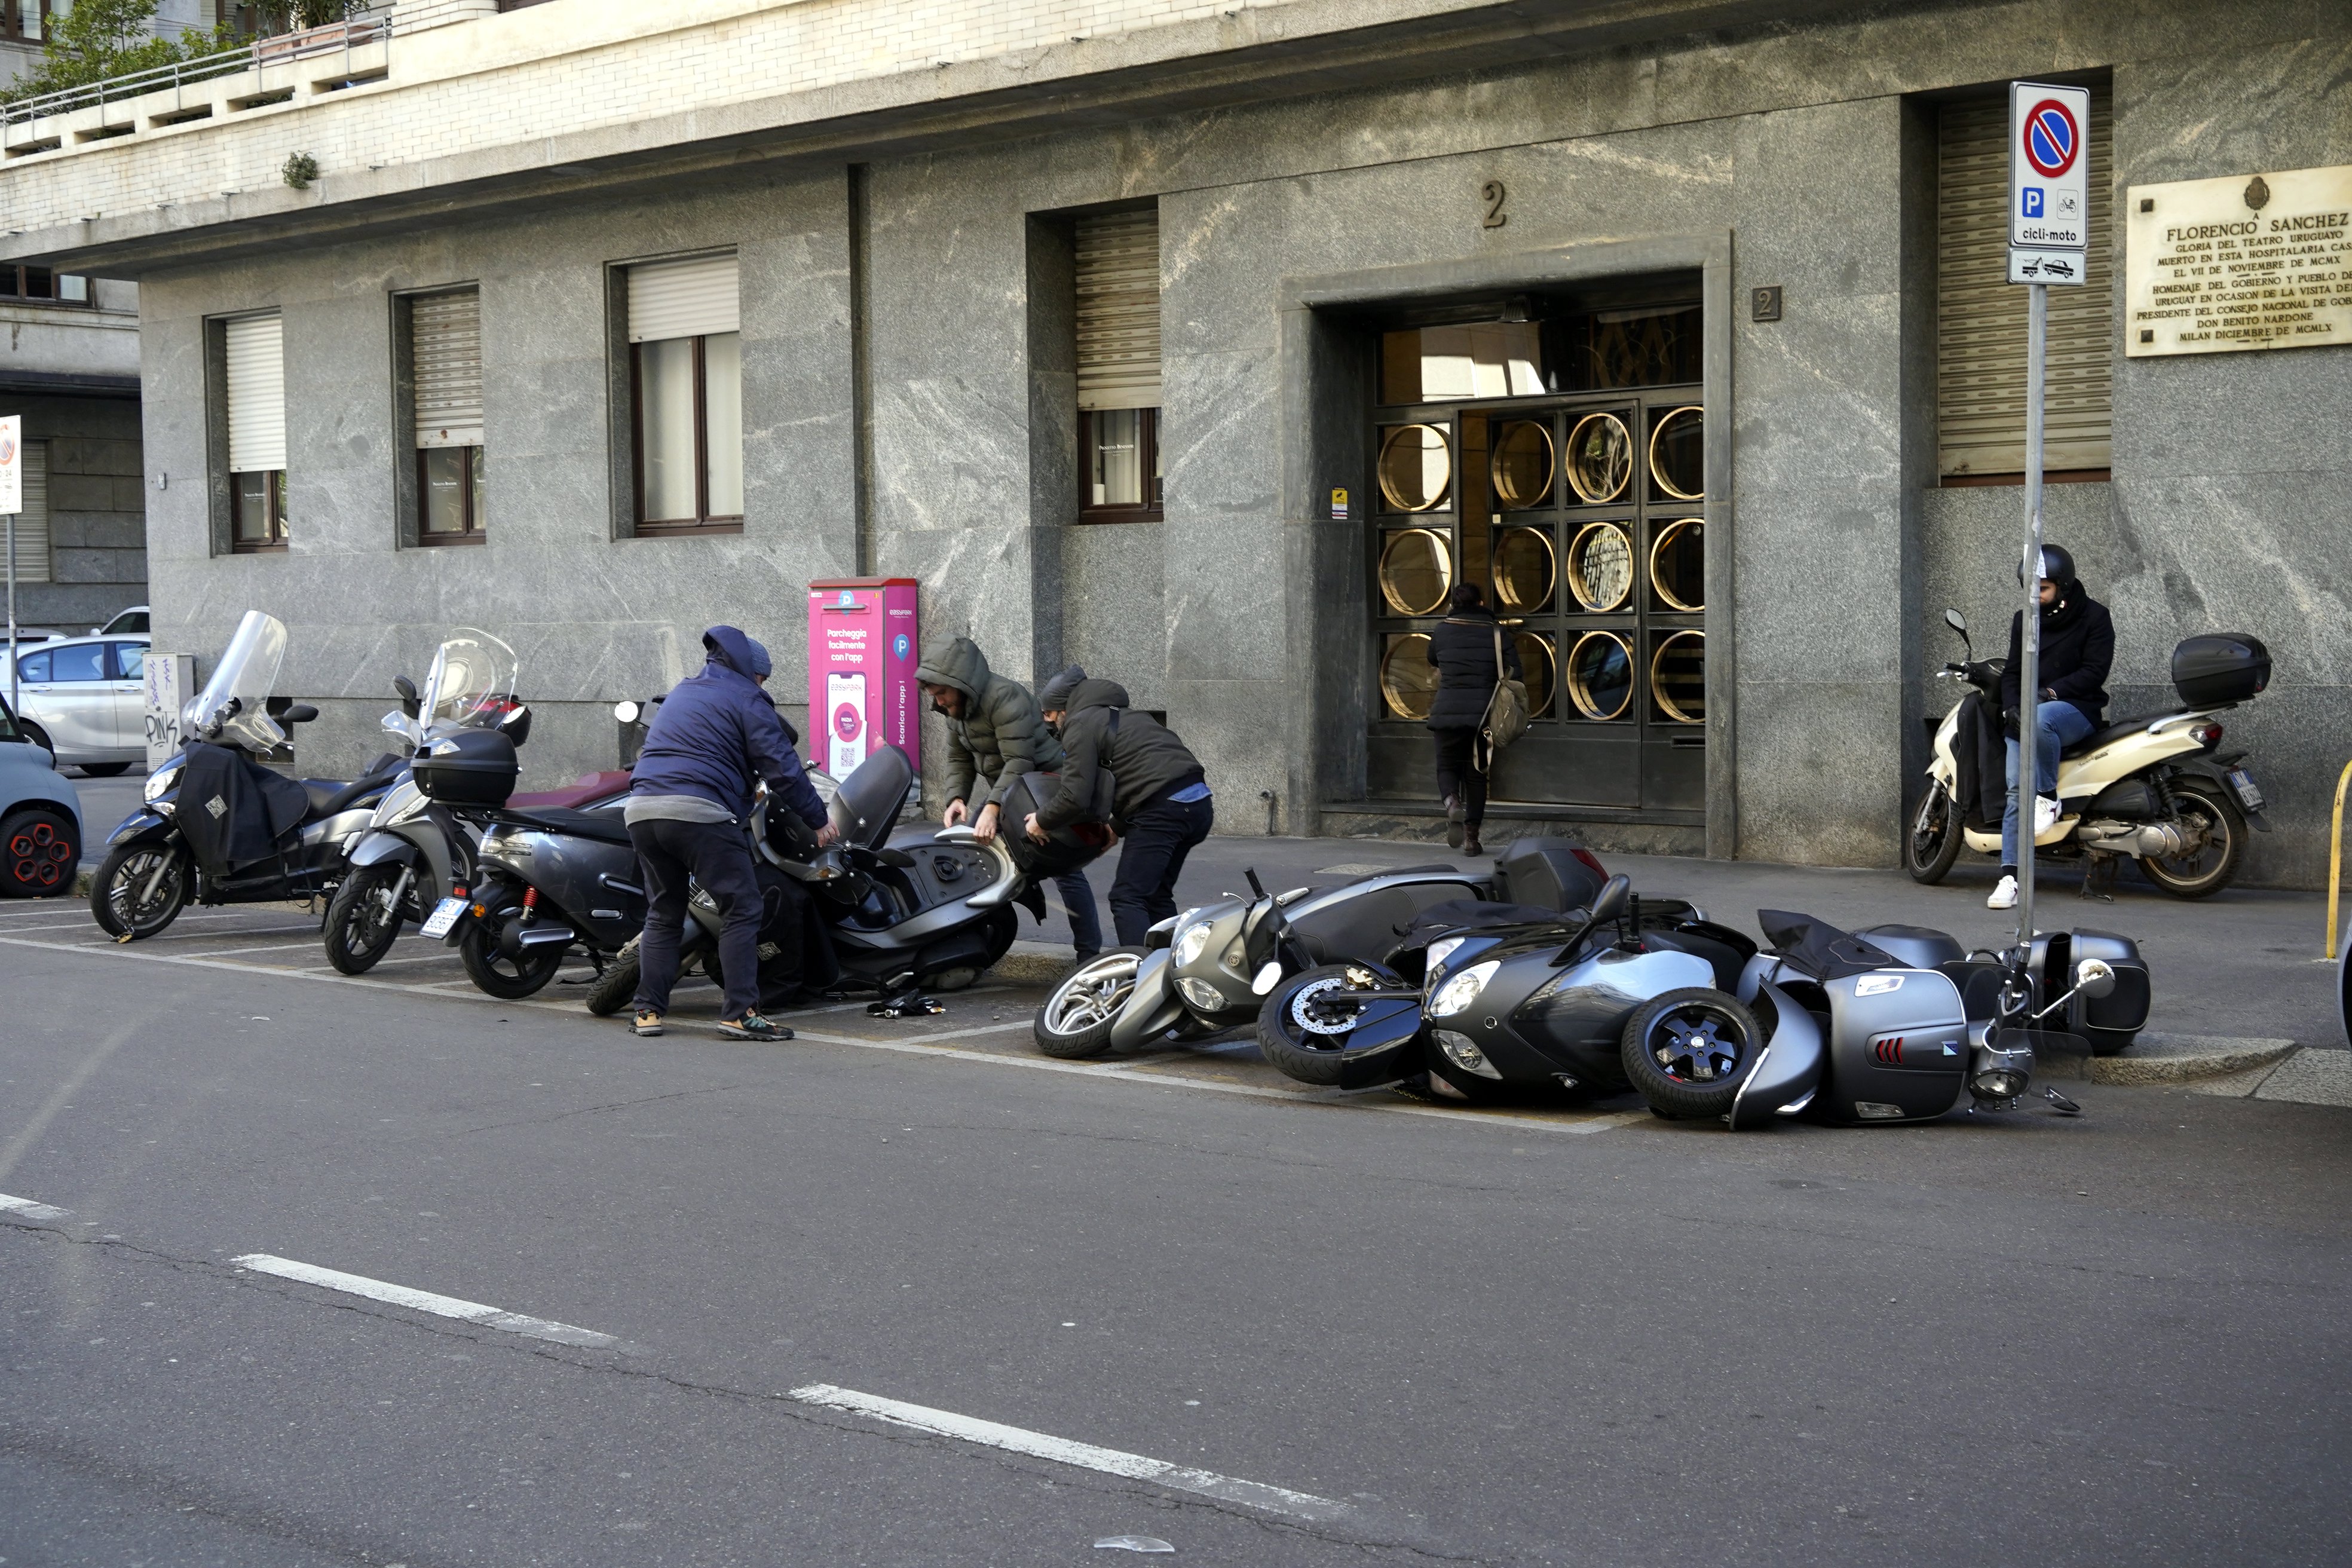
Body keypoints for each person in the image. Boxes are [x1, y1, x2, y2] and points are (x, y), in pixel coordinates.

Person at [624, 626, 839, 1040]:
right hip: (699, 810)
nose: (763, 685)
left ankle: (648, 1012)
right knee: (741, 908)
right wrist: (817, 819)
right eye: (763, 677)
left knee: (664, 912)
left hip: (642, 810)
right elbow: (781, 766)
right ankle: (740, 1012)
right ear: (751, 672)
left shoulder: (684, 691)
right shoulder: (747, 697)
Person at [915, 639, 1102, 964]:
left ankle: (1088, 956)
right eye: (934, 695)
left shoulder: (1005, 697)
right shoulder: (955, 710)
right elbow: (958, 756)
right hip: (1008, 788)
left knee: (1064, 869)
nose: (940, 701)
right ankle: (965, 946)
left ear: (960, 683)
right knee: (968, 855)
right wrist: (956, 797)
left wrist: (992, 808)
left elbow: (1019, 761)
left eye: (941, 692)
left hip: (1044, 786)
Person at [1026, 675, 1212, 947]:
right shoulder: (1124, 714)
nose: (1047, 721)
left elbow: (1075, 795)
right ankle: (1172, 971)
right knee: (1156, 894)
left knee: (1128, 898)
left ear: (1064, 709)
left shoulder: (1079, 724)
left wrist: (1041, 821)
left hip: (1163, 810)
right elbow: (1147, 775)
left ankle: (1139, 981)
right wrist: (1116, 827)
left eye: (1049, 713)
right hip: (1198, 804)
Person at [1990, 545, 2113, 911]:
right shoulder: (2023, 619)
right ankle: (2010, 878)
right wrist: (2012, 706)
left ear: (2063, 585)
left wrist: (2050, 693)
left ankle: (2047, 796)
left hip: (2075, 708)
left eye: (2041, 588)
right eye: (2029, 588)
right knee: (2014, 792)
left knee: (2042, 719)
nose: (2035, 596)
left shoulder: (2095, 617)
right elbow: (2013, 671)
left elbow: (2095, 671)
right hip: (2028, 714)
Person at [1425, 582, 1521, 858]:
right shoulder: (1496, 632)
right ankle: (1471, 839)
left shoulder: (1442, 630)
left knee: (1446, 766)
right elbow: (1516, 672)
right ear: (1481, 603)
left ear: (1454, 605)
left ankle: (1452, 803)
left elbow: (1432, 658)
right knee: (1477, 775)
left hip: (1446, 713)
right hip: (1484, 714)